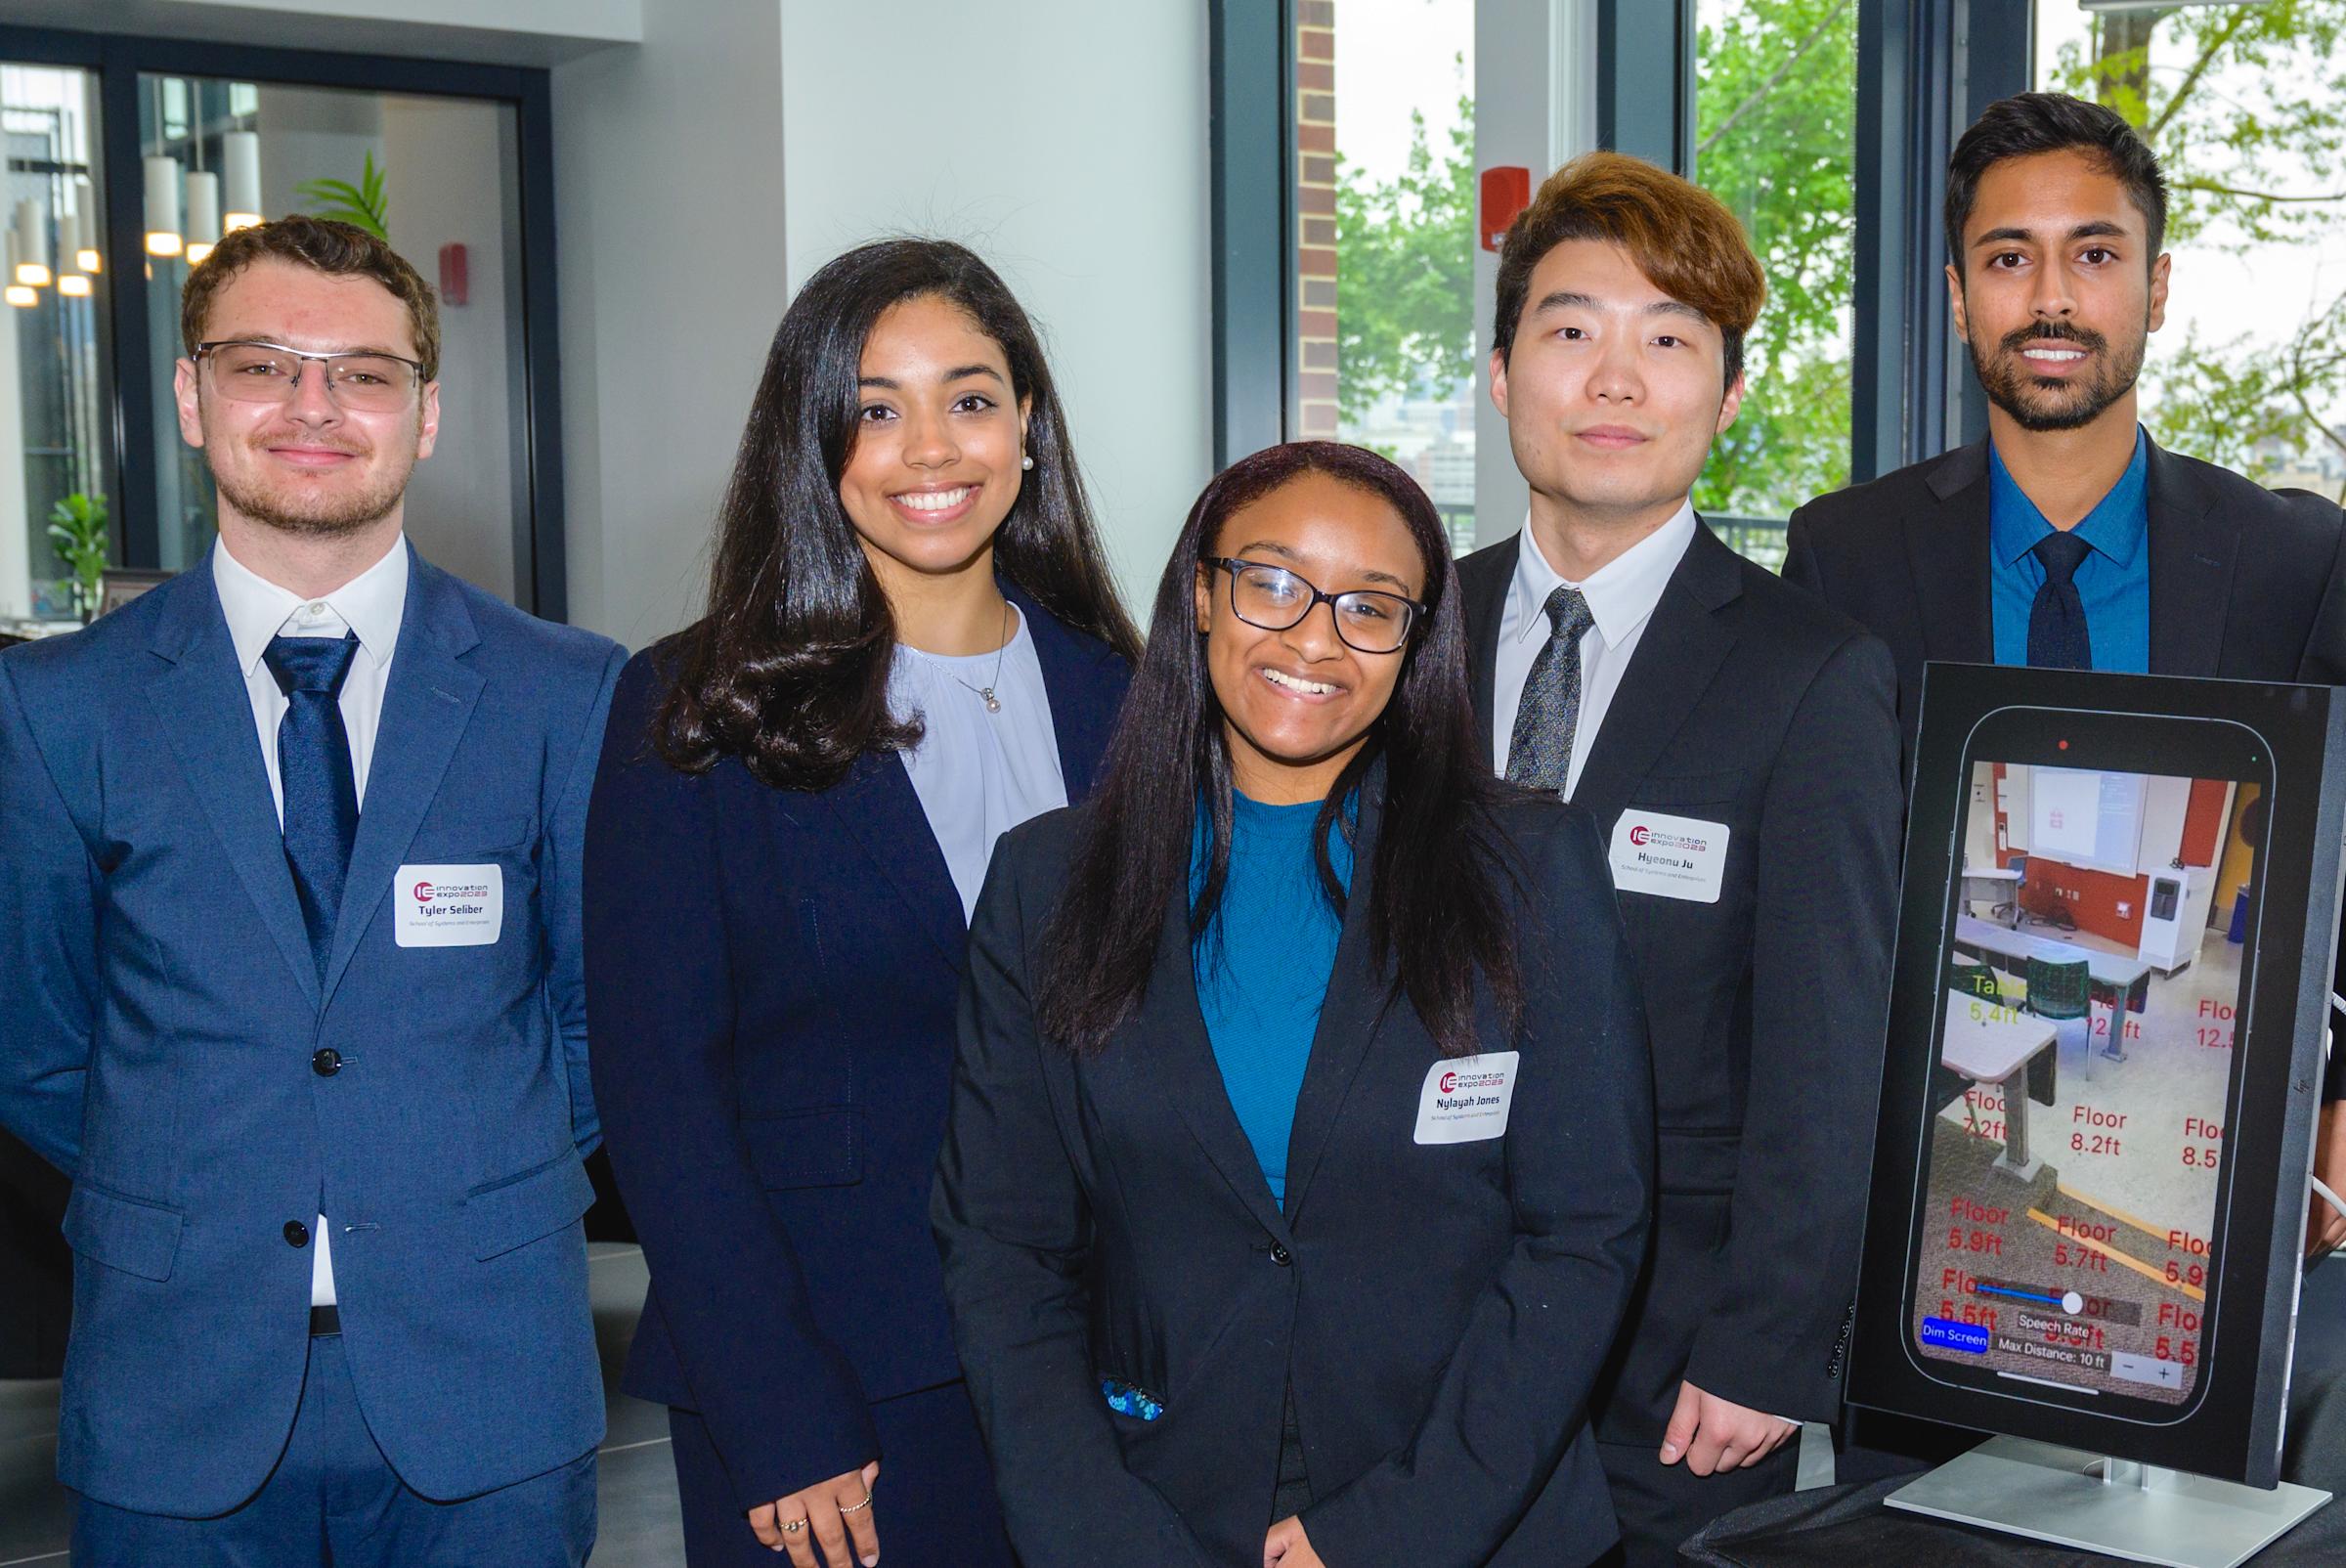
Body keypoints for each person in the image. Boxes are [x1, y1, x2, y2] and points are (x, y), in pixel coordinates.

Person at [0, 215, 623, 1565]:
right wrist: (205, 1171)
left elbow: (597, 1025)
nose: (314, 409)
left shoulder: (565, 694)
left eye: (363, 373)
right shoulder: (58, 707)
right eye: (264, 365)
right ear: (190, 396)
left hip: (487, 1387)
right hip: (177, 1385)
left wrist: (445, 1169)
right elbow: (41, 1045)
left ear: (427, 412)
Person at [934, 440, 1656, 1568]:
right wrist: (1101, 1535)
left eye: (1372, 607)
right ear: (1203, 596)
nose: (1316, 636)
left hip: (1468, 1525)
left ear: (1416, 644)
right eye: (1272, 581)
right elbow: (1004, 1250)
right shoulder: (1046, 883)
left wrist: (1394, 1532)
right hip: (1153, 1511)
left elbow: (1584, 1233)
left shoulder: (1528, 869)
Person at [584, 239, 1138, 1568]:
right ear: (811, 437)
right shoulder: (697, 712)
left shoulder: (1130, 699)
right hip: (836, 1387)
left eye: (971, 396)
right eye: (875, 407)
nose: (929, 448)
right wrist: (777, 1406)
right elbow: (662, 1097)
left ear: (1027, 429)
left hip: (1105, 1370)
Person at [1780, 90, 2346, 1228]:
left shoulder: (2297, 556)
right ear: (1957, 297)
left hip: (2227, 1200)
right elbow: (1810, 878)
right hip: (1899, 1186)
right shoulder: (1845, 552)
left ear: (2158, 285)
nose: (2049, 298)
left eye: (2094, 253)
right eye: (2006, 257)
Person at [1455, 152, 1904, 1564]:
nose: (1615, 379)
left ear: (1729, 390)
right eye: (1572, 331)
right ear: (1501, 369)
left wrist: (1770, 1342)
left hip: (1672, 1376)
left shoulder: (1810, 675)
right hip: (1404, 1329)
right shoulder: (1402, 635)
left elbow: (1832, 1046)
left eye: (1669, 341)